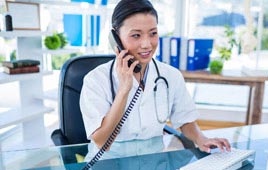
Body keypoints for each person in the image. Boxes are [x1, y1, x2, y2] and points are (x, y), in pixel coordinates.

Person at [80, 0, 231, 161]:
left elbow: (185, 119)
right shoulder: (96, 80)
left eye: (153, 33)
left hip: (152, 164)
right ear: (115, 38)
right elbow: (102, 141)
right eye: (136, 35)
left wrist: (202, 139)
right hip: (106, 165)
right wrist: (124, 90)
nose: (147, 44)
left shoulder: (170, 75)